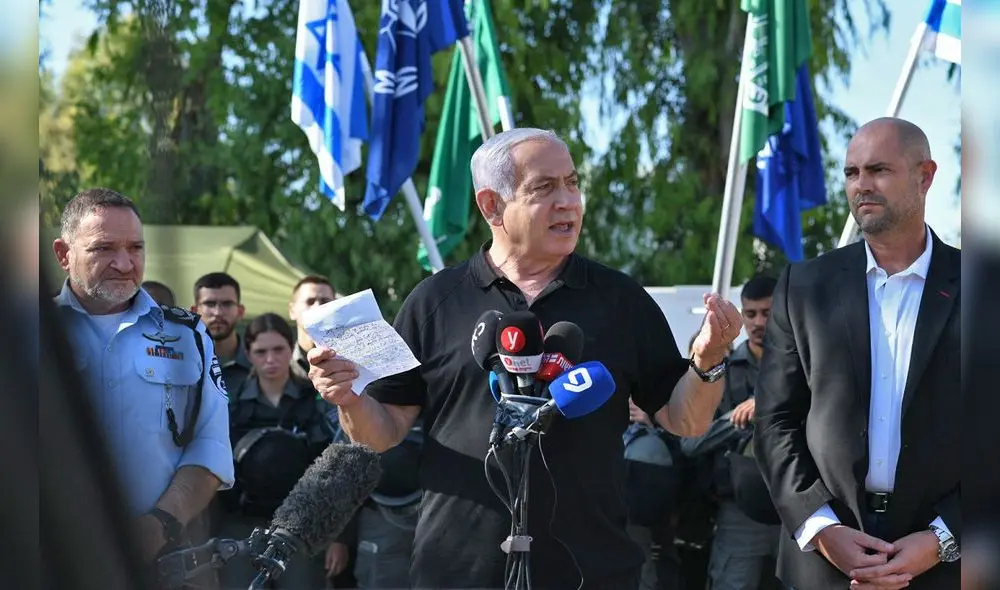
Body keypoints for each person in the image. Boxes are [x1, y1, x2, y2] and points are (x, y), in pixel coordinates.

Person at [307, 128, 742, 589]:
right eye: (544, 188)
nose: (569, 202)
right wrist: (349, 399)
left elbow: (684, 420)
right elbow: (383, 431)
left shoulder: (621, 300)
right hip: (459, 570)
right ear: (491, 205)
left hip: (590, 569)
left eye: (573, 183)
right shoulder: (434, 301)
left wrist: (708, 360)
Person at [753, 117, 961, 590]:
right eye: (851, 173)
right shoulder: (802, 287)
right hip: (825, 563)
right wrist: (820, 527)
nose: (861, 186)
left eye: (878, 170)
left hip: (949, 565)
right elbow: (775, 421)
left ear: (925, 175)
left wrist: (943, 537)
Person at [51, 188, 234, 568]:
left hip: (166, 560)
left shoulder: (188, 336)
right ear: (63, 255)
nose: (124, 263)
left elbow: (210, 446)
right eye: (104, 248)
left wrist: (158, 525)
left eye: (135, 248)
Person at [216, 312, 336, 588]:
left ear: (291, 347)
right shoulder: (230, 405)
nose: (270, 360)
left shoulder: (315, 400)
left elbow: (332, 470)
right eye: (261, 351)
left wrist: (337, 538)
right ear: (248, 352)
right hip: (241, 523)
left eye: (278, 349)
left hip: (300, 528)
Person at [680, 274, 783, 590]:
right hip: (740, 510)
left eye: (767, 313)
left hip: (798, 508)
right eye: (750, 314)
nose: (757, 322)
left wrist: (768, 404)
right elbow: (690, 441)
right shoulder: (721, 368)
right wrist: (741, 419)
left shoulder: (805, 365)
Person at [192, 272, 252, 396]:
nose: (218, 312)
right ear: (194, 312)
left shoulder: (259, 363)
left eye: (227, 304)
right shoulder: (180, 362)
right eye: (210, 304)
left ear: (240, 312)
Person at [287, 274, 337, 380]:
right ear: (292, 310)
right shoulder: (280, 366)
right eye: (310, 302)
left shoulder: (352, 364)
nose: (317, 307)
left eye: (325, 301)